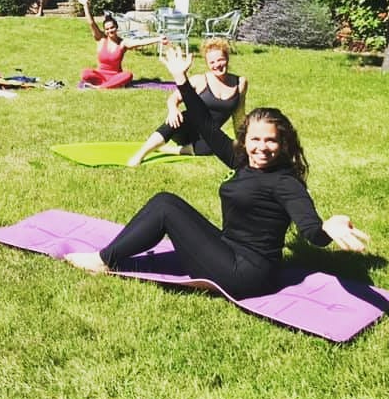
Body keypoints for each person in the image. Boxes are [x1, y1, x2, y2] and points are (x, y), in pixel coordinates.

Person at [66, 47, 369, 299]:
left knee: (165, 206)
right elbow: (206, 125)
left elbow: (311, 232)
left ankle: (103, 261)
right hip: (231, 251)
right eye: (255, 139)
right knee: (166, 202)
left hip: (247, 275)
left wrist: (330, 226)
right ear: (245, 140)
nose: (261, 148)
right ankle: (109, 256)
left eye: (271, 140)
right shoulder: (242, 160)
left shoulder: (286, 182)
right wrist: (181, 80)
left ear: (283, 143)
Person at [128, 38, 247, 166]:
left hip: (209, 135)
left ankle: (168, 150)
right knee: (176, 121)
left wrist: (243, 142)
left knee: (214, 147)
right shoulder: (200, 80)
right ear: (207, 64)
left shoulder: (240, 83)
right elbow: (173, 98)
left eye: (220, 60)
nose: (217, 65)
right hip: (185, 129)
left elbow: (238, 115)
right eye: (212, 62)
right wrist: (173, 110)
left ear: (227, 58)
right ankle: (141, 154)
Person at [77, 0, 163, 89]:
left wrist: (158, 39)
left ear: (116, 27)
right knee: (85, 73)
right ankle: (107, 84)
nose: (110, 30)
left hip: (115, 76)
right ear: (105, 30)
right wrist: (85, 5)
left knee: (128, 75)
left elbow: (140, 42)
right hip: (100, 75)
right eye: (107, 29)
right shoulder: (101, 39)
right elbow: (91, 23)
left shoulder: (123, 43)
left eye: (112, 27)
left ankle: (101, 87)